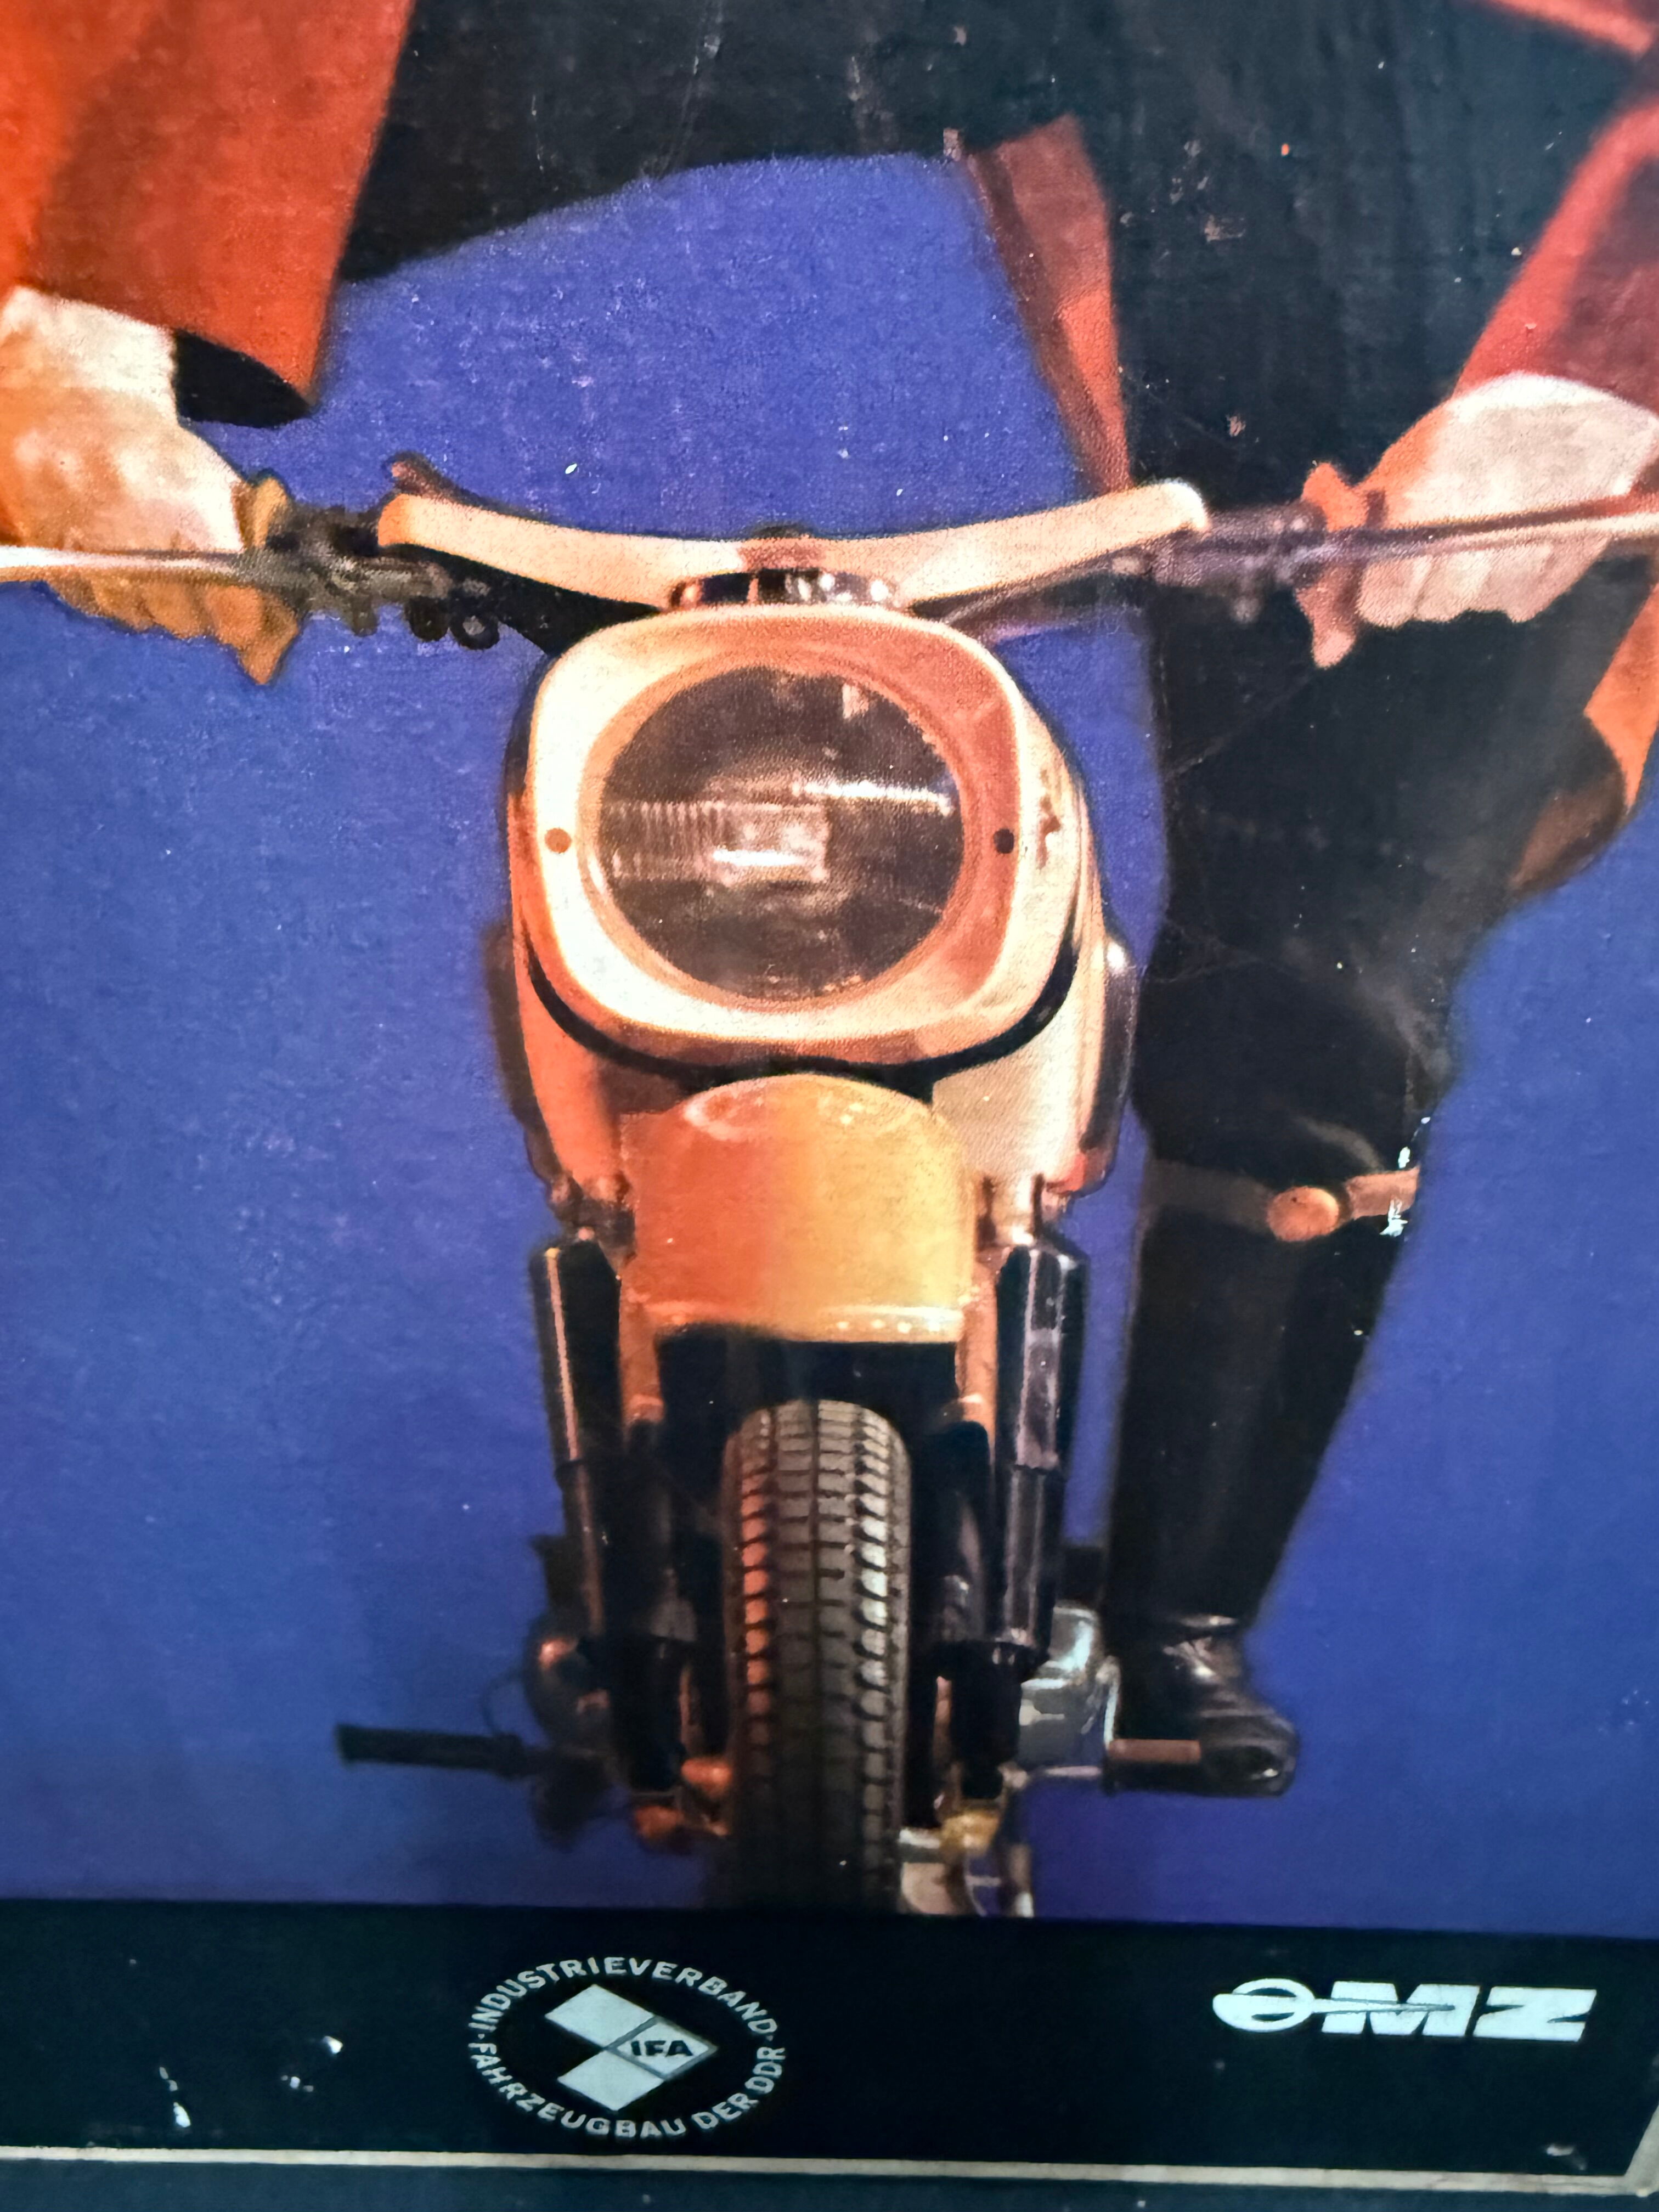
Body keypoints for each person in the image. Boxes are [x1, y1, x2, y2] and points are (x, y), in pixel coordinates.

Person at [5, 0, 1659, 1794]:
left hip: (1458, 95)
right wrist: (71, 316)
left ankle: (1177, 1621)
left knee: (1326, 962)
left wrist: (1601, 364)